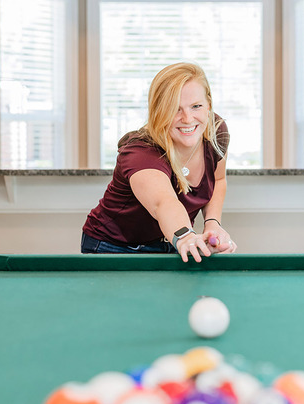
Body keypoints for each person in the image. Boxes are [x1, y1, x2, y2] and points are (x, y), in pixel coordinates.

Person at [82, 62, 237, 262]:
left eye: (196, 106)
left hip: (170, 241)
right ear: (158, 111)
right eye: (175, 109)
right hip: (113, 246)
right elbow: (163, 203)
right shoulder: (141, 151)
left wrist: (213, 224)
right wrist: (186, 236)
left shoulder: (215, 131)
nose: (188, 118)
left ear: (208, 104)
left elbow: (219, 179)